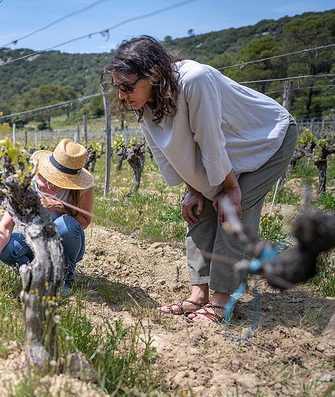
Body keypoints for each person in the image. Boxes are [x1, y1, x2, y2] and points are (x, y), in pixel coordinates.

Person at [102, 36, 297, 323]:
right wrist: (193, 188)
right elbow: (167, 153)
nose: (122, 95)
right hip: (227, 155)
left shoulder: (195, 80)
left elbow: (210, 140)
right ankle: (198, 296)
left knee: (230, 215)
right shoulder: (143, 103)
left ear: (154, 74)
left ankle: (221, 302)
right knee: (199, 213)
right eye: (118, 87)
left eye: (127, 87)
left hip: (266, 140)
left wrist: (230, 188)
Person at [0, 139, 95, 296]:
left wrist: (61, 209)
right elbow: (5, 226)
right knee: (8, 248)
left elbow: (84, 222)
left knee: (66, 224)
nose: (52, 185)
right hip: (34, 241)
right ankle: (35, 273)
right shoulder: (28, 185)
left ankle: (65, 274)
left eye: (61, 180)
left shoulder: (82, 190)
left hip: (63, 243)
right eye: (52, 177)